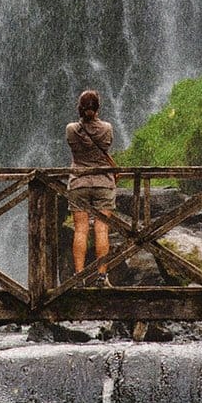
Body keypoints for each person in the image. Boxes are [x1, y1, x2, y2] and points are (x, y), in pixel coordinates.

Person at [66, 89, 117, 287]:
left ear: (79, 107)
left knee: (80, 230)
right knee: (102, 229)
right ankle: (102, 276)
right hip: (103, 182)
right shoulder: (107, 128)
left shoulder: (71, 129)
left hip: (79, 182)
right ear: (97, 108)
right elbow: (106, 148)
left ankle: (79, 276)